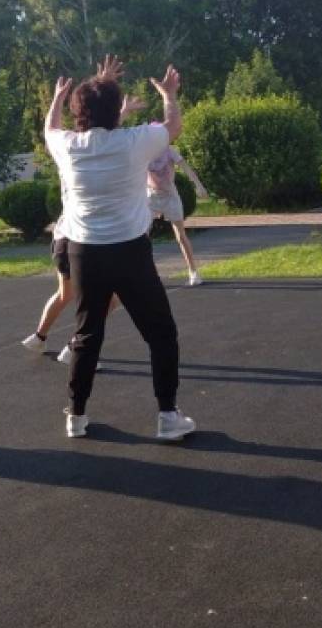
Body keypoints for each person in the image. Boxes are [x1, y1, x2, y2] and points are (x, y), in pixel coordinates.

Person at [44, 55, 195, 440]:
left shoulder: (68, 147)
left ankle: (76, 417)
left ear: (78, 111)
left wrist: (60, 96)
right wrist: (169, 94)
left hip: (84, 253)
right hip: (129, 252)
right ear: (117, 111)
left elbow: (51, 126)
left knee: (87, 334)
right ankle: (168, 417)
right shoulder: (133, 142)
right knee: (161, 333)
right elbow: (173, 126)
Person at [21, 95, 145, 363]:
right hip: (79, 240)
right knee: (105, 299)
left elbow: (95, 134)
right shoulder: (81, 155)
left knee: (67, 293)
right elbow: (102, 137)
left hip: (62, 239)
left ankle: (39, 337)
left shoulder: (71, 154)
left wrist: (120, 111)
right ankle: (75, 348)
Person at [146, 142, 207, 286]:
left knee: (181, 235)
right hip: (151, 197)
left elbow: (185, 167)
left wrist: (199, 186)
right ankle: (145, 274)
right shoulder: (145, 151)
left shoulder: (168, 150)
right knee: (142, 237)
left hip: (170, 196)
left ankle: (193, 272)